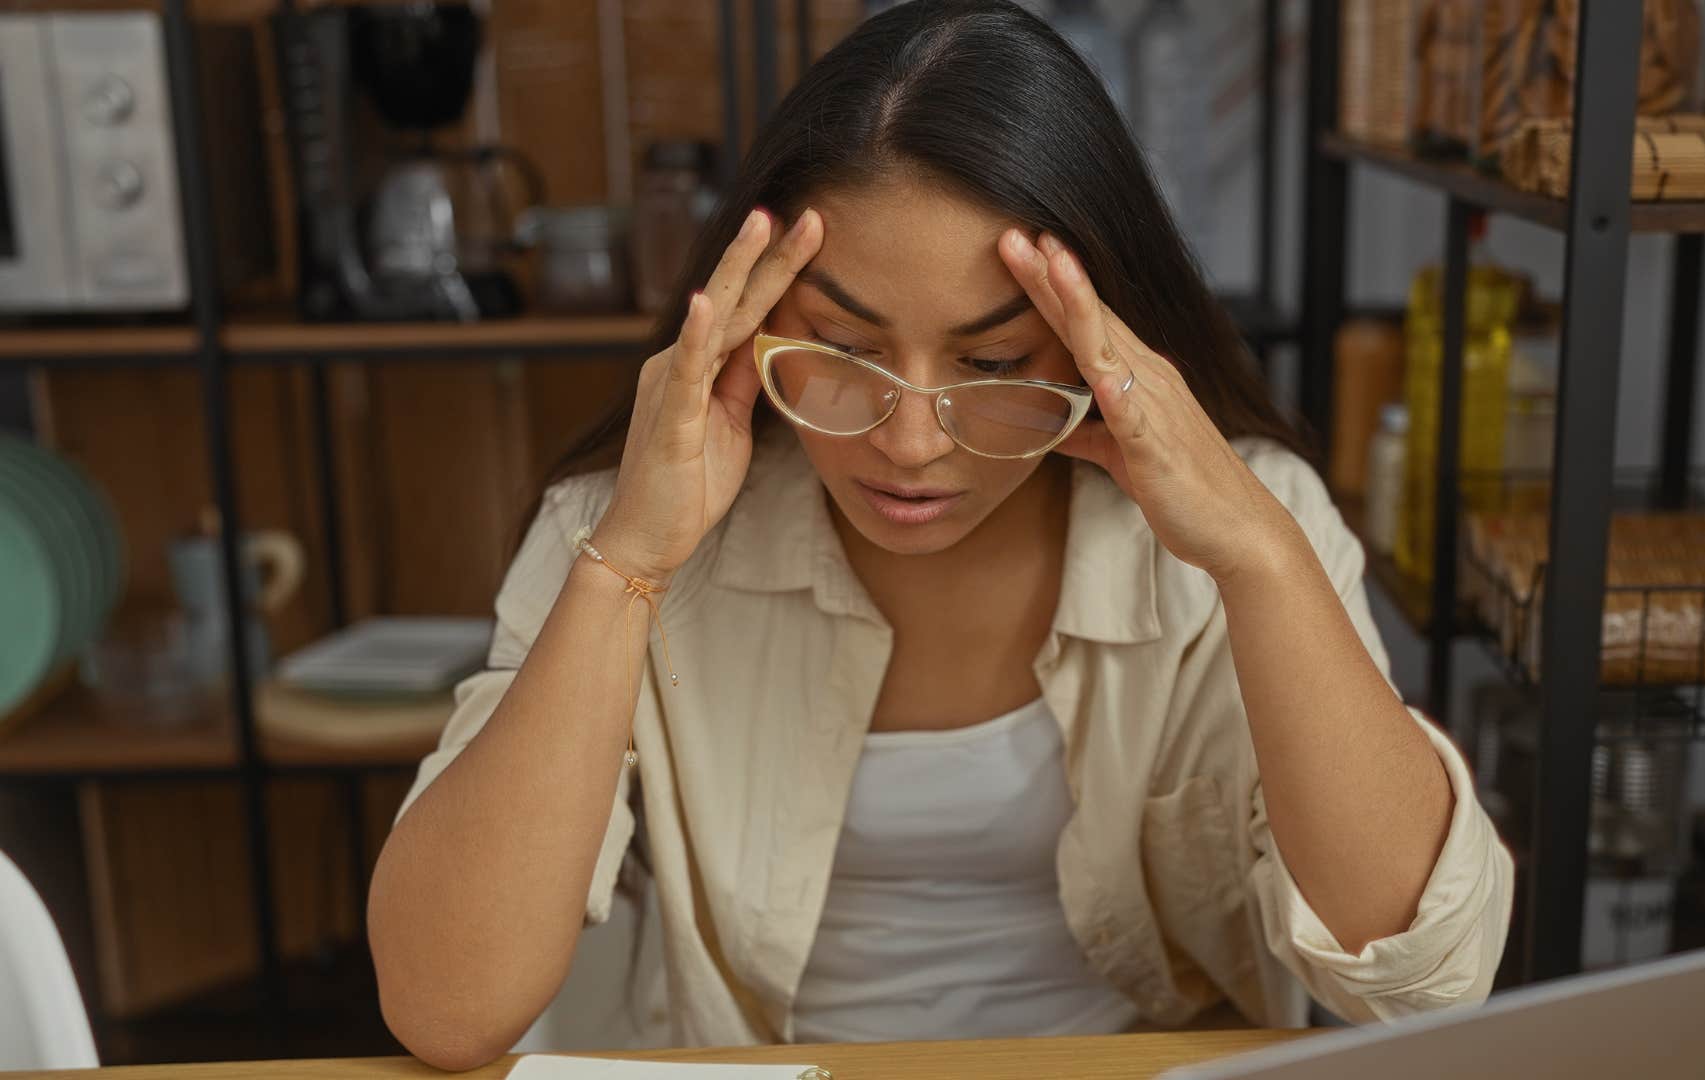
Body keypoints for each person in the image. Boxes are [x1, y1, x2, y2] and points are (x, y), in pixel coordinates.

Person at [366, 0, 1513, 1069]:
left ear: (1091, 338)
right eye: (844, 349)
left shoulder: (1246, 526)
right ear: (750, 322)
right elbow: (447, 1010)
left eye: (997, 363)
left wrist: (1258, 558)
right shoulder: (624, 529)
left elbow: (1425, 979)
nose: (910, 442)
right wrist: (624, 566)